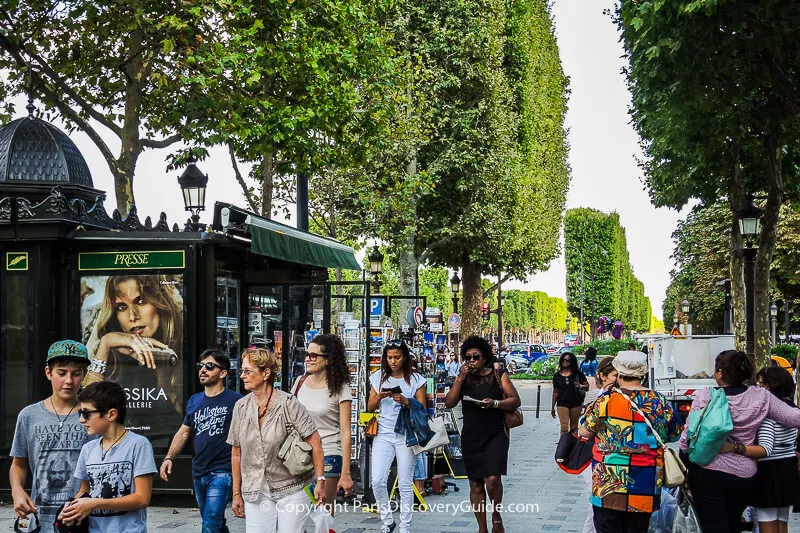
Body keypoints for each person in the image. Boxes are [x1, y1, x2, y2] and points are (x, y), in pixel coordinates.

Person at [679, 350, 800, 533]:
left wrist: (685, 467)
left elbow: (687, 437)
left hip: (706, 470)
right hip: (743, 474)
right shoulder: (761, 396)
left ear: (720, 372)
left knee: (713, 525)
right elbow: (794, 418)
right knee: (734, 522)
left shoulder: (706, 395)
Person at [579, 351, 680, 533]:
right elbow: (674, 434)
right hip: (645, 481)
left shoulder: (605, 401)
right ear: (643, 373)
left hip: (608, 482)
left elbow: (584, 430)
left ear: (618, 371)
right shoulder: (658, 402)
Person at [227, 348, 326, 533]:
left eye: (248, 371)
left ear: (266, 373)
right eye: (242, 371)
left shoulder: (288, 403)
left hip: (293, 487)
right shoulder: (240, 407)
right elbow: (236, 453)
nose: (242, 376)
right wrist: (236, 493)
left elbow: (315, 442)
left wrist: (320, 481)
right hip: (255, 491)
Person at [83, 275, 184, 443]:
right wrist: (106, 344)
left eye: (141, 302)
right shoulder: (110, 353)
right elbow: (86, 410)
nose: (133, 316)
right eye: (122, 307)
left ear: (159, 303)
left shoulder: (180, 348)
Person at [10, 341, 94, 530]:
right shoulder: (29, 416)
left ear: (84, 375)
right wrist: (17, 491)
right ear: (48, 372)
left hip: (85, 521)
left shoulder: (94, 414)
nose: (68, 381)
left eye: (76, 374)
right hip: (41, 519)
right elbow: (18, 464)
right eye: (61, 373)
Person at [160, 350, 243, 533]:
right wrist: (169, 458)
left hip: (223, 471)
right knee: (215, 522)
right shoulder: (194, 401)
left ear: (223, 373)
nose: (203, 370)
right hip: (199, 471)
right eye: (201, 366)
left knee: (210, 522)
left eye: (209, 366)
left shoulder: (236, 401)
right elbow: (183, 433)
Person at [58, 381, 157, 533]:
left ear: (111, 414)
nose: (81, 419)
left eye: (86, 413)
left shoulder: (139, 445)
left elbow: (142, 498)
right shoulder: (88, 449)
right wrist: (73, 506)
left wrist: (94, 504)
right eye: (80, 413)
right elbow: (84, 491)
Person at [445, 336, 521, 533]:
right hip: (471, 435)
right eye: (468, 357)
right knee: (475, 483)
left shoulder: (498, 373)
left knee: (493, 479)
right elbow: (450, 402)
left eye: (476, 357)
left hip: (495, 433)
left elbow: (515, 400)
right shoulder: (463, 378)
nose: (471, 361)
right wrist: (460, 378)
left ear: (484, 357)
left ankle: (496, 514)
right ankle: (482, 528)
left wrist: (495, 403)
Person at [367, 339, 427, 533]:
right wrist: (380, 397)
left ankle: (405, 527)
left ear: (404, 358)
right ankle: (387, 521)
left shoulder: (416, 379)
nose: (393, 361)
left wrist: (406, 401)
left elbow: (423, 409)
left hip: (406, 435)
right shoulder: (378, 378)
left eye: (397, 357)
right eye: (389, 357)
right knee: (377, 480)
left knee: (405, 482)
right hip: (383, 433)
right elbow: (369, 407)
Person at [292, 334, 354, 514]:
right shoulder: (299, 382)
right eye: (307, 354)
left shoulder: (340, 388)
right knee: (295, 515)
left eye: (313, 355)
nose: (307, 359)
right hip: (300, 456)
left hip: (328, 454)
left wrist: (346, 473)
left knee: (323, 514)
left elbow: (345, 432)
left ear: (327, 360)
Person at [733, 367, 800, 533]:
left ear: (770, 386)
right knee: (782, 522)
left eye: (761, 383)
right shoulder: (792, 409)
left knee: (766, 522)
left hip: (769, 471)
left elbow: (766, 448)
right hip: (788, 468)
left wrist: (735, 448)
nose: (758, 386)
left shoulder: (769, 413)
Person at [579, 356, 619, 533]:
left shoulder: (618, 396)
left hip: (606, 459)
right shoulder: (597, 398)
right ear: (603, 376)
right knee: (596, 503)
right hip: (593, 457)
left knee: (598, 504)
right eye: (615, 375)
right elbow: (584, 429)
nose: (618, 380)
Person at [552, 352, 589, 435]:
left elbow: (587, 385)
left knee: (574, 427)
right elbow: (555, 392)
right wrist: (552, 407)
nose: (565, 362)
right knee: (564, 427)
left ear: (572, 362)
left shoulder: (577, 374)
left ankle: (572, 446)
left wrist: (581, 385)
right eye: (563, 360)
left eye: (568, 360)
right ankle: (563, 446)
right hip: (562, 403)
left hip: (575, 402)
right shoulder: (557, 376)